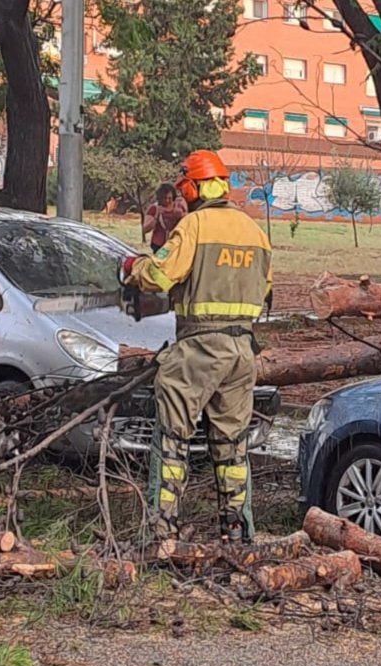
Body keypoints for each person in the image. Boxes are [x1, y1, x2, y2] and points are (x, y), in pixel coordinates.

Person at [119, 149, 272, 544]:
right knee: (232, 445)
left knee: (172, 438)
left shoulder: (195, 226)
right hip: (242, 352)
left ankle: (160, 533)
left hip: (199, 348)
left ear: (193, 187)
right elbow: (266, 289)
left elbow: (159, 274)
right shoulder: (255, 232)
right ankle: (237, 531)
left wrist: (132, 267)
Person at [142, 183, 188, 253]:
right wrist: (156, 216)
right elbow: (145, 229)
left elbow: (188, 222)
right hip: (159, 246)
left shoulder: (180, 205)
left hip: (175, 244)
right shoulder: (154, 208)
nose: (167, 201)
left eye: (169, 198)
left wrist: (182, 215)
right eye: (164, 198)